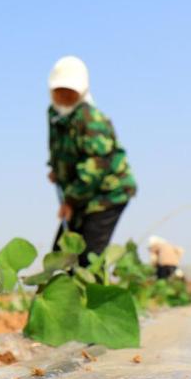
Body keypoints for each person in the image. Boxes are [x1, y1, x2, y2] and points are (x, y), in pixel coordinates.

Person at [46, 56, 136, 263]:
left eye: (70, 93)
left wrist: (69, 200)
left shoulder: (90, 119)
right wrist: (56, 170)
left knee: (88, 258)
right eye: (59, 92)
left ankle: (90, 294)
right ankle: (63, 294)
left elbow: (95, 169)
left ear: (82, 91)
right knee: (61, 256)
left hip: (107, 193)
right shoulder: (54, 115)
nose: (64, 97)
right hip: (80, 194)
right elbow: (58, 148)